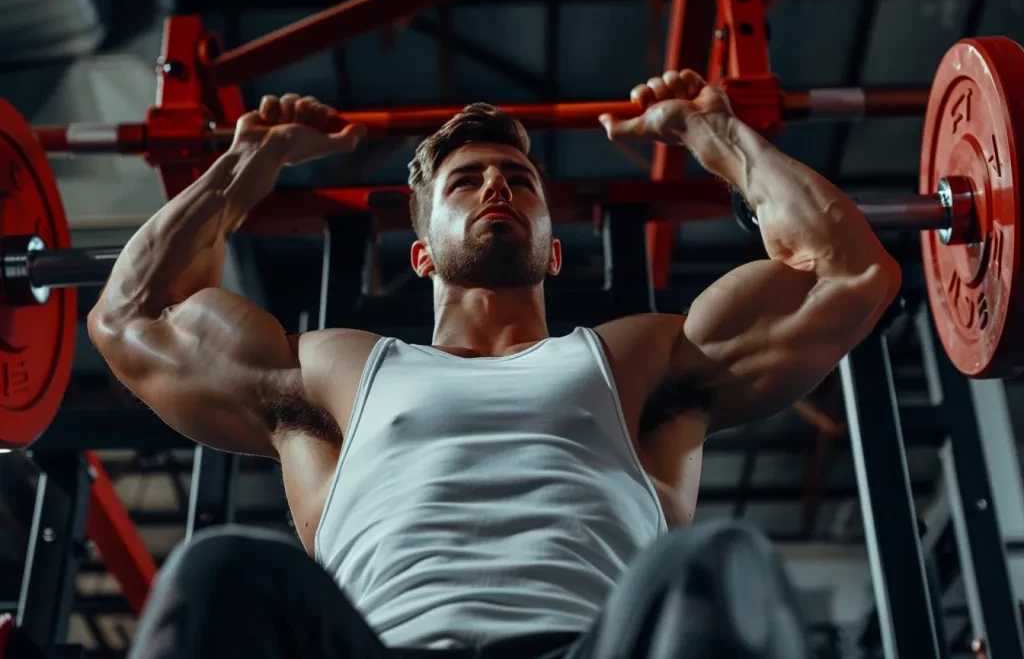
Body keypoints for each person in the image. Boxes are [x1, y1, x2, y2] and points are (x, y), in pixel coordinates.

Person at [89, 69, 900, 659]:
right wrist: (244, 168)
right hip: (385, 647)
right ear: (420, 253)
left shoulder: (637, 358)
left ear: (553, 251)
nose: (496, 189)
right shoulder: (341, 371)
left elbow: (850, 271)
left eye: (518, 178)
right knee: (220, 569)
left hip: (587, 645)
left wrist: (716, 136)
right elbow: (130, 317)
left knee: (724, 564)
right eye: (466, 180)